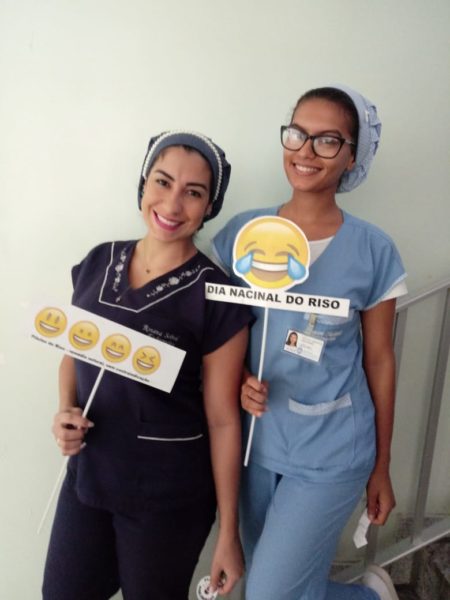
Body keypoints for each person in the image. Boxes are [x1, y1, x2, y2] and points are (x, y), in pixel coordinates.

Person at [213, 85, 407, 600]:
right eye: (297, 133)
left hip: (332, 448)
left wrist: (382, 466)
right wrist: (239, 379)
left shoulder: (373, 251)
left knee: (268, 594)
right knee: (281, 585)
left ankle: (371, 597)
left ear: (352, 156)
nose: (306, 150)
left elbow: (380, 361)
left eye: (327, 140)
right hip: (255, 445)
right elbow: (218, 338)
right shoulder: (242, 236)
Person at [42, 131, 253, 600]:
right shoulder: (98, 261)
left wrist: (229, 531)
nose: (172, 204)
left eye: (193, 192)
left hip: (166, 495)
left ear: (210, 206)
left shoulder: (217, 295)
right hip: (89, 477)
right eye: (162, 181)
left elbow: (223, 420)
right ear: (143, 184)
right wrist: (65, 411)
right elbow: (74, 354)